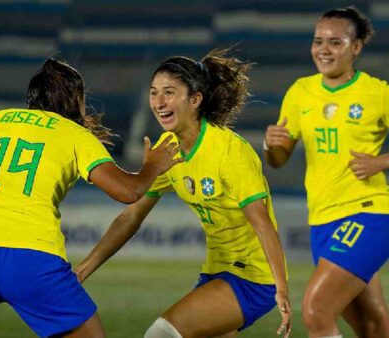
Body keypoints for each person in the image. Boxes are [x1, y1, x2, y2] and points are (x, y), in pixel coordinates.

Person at [0, 56, 182, 338]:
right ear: (75, 99)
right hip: (33, 260)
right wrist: (153, 166)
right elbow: (128, 192)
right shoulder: (76, 135)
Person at [75, 49, 292, 338]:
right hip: (217, 272)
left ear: (195, 100)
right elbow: (131, 215)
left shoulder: (229, 151)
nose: (159, 102)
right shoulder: (168, 149)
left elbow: (261, 222)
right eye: (153, 93)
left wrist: (281, 288)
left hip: (252, 278)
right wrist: (81, 272)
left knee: (161, 334)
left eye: (169, 92)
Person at [263, 7, 389, 338]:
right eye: (318, 41)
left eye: (335, 42)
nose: (323, 50)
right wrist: (272, 145)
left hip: (367, 215)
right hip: (322, 222)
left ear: (356, 48)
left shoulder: (379, 94)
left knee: (316, 310)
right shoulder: (300, 92)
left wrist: (380, 162)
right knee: (373, 328)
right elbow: (278, 159)